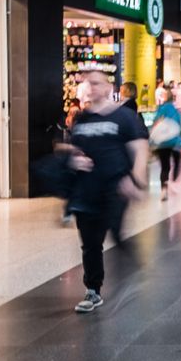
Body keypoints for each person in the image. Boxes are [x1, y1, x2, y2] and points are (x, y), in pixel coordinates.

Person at [63, 67, 150, 314]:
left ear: (109, 88)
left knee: (115, 230)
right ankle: (93, 290)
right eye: (89, 83)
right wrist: (74, 159)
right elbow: (73, 149)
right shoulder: (81, 119)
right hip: (87, 188)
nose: (92, 87)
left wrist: (136, 180)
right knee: (90, 242)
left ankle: (131, 270)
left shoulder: (124, 117)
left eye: (97, 83)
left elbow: (140, 149)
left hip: (115, 187)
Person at [150, 86, 181, 202]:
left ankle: (164, 189)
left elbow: (155, 124)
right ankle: (174, 180)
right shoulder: (176, 112)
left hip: (161, 142)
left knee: (164, 166)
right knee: (177, 160)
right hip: (174, 142)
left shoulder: (160, 110)